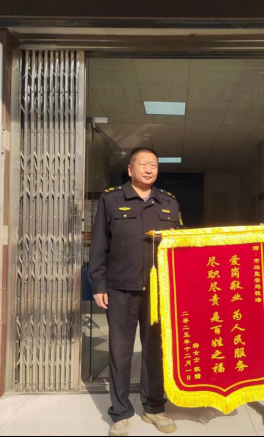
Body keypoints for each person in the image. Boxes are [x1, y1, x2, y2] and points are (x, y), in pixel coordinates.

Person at [89, 147, 183, 437]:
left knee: (155, 350)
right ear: (130, 169)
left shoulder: (169, 202)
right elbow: (99, 245)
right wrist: (98, 284)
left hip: (159, 291)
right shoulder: (111, 199)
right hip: (120, 288)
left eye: (153, 164)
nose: (149, 169)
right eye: (143, 164)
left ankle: (154, 407)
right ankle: (120, 412)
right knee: (120, 351)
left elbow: (181, 247)